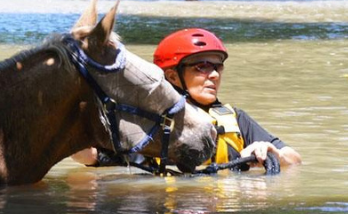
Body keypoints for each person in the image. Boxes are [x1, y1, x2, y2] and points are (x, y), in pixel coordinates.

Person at [72, 28, 301, 171]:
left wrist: (272, 153)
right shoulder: (148, 120)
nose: (213, 74)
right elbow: (89, 157)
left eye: (217, 66)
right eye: (202, 67)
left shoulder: (235, 118)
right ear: (172, 75)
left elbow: (295, 160)